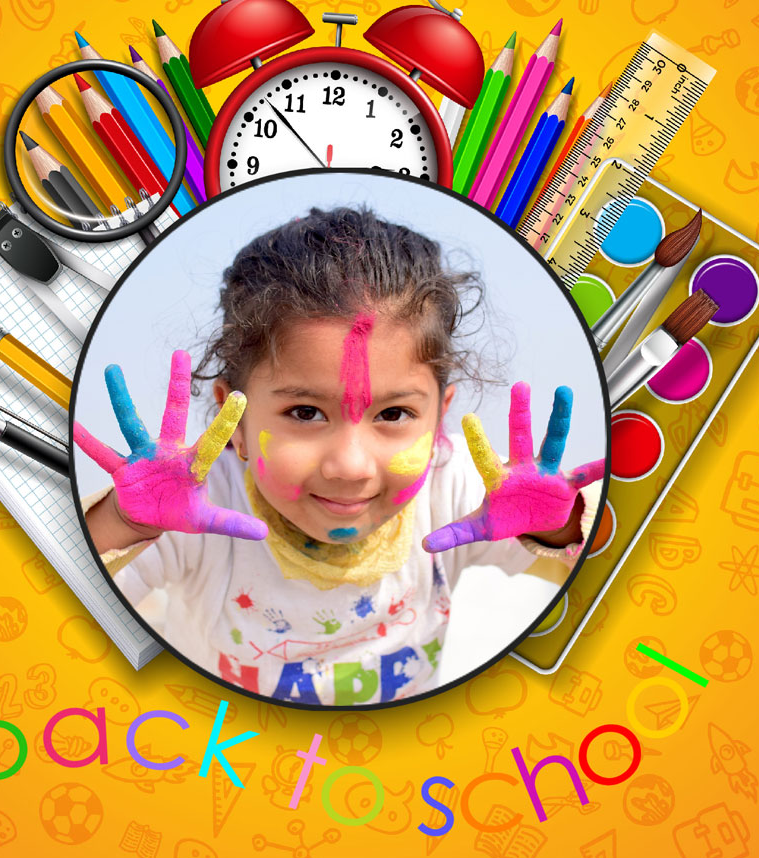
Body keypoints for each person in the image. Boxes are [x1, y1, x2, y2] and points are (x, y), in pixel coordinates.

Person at [76, 206, 604, 705]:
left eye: (393, 414)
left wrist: (557, 527)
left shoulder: (458, 489)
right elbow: (67, 606)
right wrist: (126, 522)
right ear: (233, 420)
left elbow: (602, 579)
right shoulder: (195, 508)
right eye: (305, 413)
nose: (350, 466)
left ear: (439, 417)